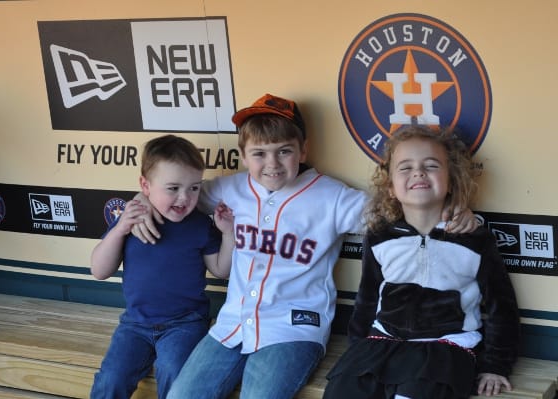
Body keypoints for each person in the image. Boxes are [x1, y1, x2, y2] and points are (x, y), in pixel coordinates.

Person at [130, 94, 479, 399]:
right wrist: (142, 201)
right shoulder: (227, 190)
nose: (272, 164)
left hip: (293, 329)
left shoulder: (332, 197)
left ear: (304, 149)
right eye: (259, 154)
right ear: (243, 154)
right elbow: (172, 194)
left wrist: (452, 212)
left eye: (284, 152)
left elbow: (398, 210)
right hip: (231, 326)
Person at [323, 125, 520, 399]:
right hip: (384, 341)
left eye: (431, 165)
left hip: (446, 346)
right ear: (390, 187)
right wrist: (358, 352)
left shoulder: (475, 239)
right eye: (405, 167)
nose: (418, 172)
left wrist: (495, 366)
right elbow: (367, 300)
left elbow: (503, 309)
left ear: (451, 181)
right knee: (343, 391)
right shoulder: (380, 236)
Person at [89, 135, 235, 399]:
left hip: (185, 323)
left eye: (194, 188)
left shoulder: (200, 224)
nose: (184, 198)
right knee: (111, 378)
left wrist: (228, 235)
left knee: (175, 370)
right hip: (135, 324)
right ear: (145, 185)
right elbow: (99, 270)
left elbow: (221, 269)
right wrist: (120, 229)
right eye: (173, 188)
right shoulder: (133, 220)